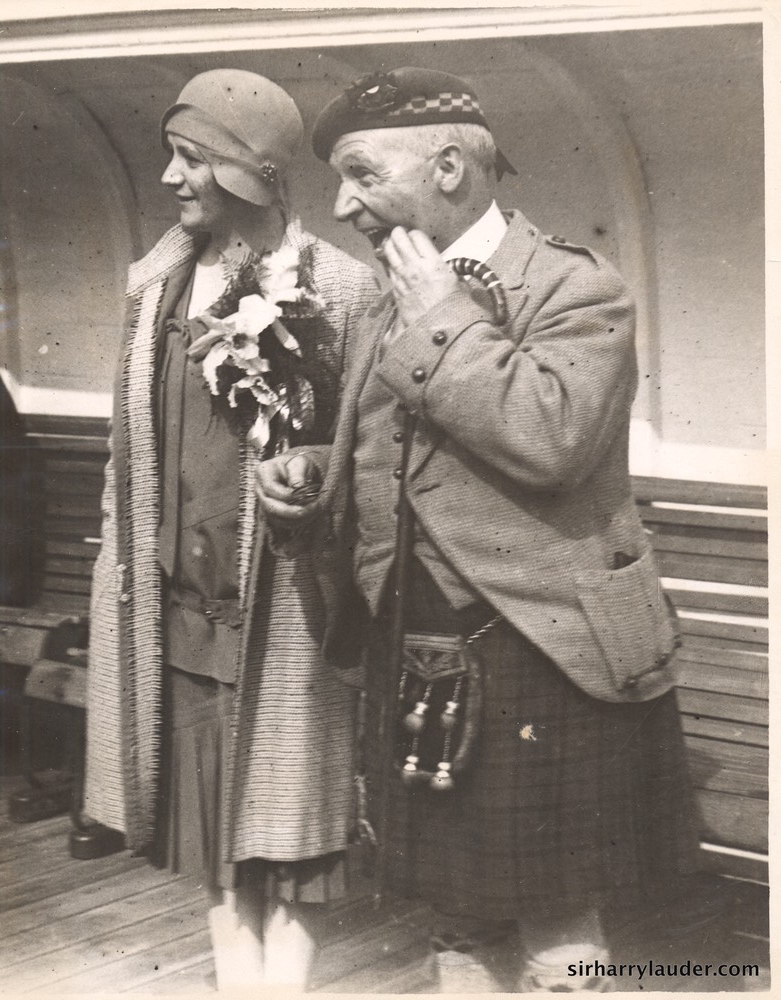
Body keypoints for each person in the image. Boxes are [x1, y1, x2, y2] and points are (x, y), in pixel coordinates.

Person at [257, 67, 700, 993]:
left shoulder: (579, 287)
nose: (342, 204)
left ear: (450, 167)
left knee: (555, 916)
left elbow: (551, 441)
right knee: (454, 917)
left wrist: (442, 318)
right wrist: (310, 487)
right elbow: (387, 460)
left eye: (361, 175)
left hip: (546, 654)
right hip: (413, 646)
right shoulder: (389, 295)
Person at [83, 69, 377, 991]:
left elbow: (367, 451)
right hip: (171, 606)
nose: (170, 178)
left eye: (192, 158)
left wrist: (314, 476)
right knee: (210, 830)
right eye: (172, 154)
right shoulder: (156, 282)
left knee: (285, 833)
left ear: (249, 173)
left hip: (284, 613)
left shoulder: (341, 288)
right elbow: (125, 450)